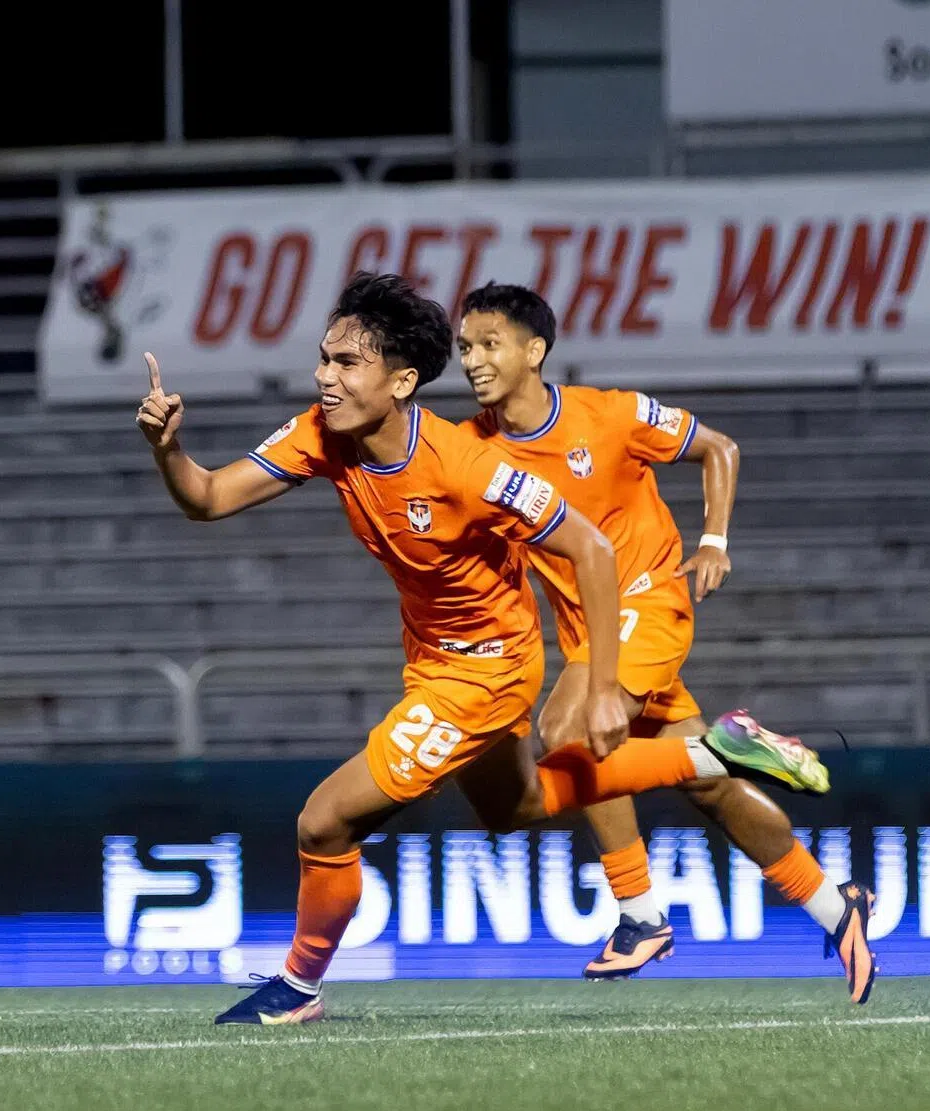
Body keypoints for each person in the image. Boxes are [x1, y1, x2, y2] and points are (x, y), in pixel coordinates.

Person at [138, 272, 830, 1027]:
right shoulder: (319, 435)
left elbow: (593, 550)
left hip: (486, 669)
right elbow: (206, 497)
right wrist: (168, 450)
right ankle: (708, 755)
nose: (323, 377)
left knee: (323, 822)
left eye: (345, 363)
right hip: (433, 659)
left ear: (402, 381)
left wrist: (601, 687)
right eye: (324, 359)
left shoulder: (468, 467)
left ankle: (297, 988)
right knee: (516, 807)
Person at [454, 282, 876, 1004]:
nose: (472, 360)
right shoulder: (469, 448)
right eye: (465, 347)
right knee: (706, 786)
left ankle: (639, 913)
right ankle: (837, 910)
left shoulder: (610, 414)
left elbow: (718, 447)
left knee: (566, 733)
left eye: (489, 344)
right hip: (592, 636)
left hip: (648, 601)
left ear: (535, 351)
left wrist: (713, 540)